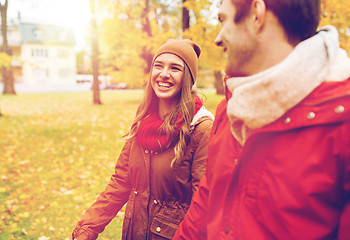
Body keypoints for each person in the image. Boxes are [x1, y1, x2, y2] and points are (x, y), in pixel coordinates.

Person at [174, 0, 350, 239]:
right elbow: (207, 200)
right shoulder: (230, 108)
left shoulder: (342, 121)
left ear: (257, 14)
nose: (217, 38)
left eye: (223, 20)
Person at [72, 39, 214, 240]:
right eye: (159, 65)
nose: (164, 74)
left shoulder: (201, 129)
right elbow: (121, 182)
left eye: (175, 68)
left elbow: (205, 205)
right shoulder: (144, 122)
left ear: (188, 78)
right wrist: (87, 228)